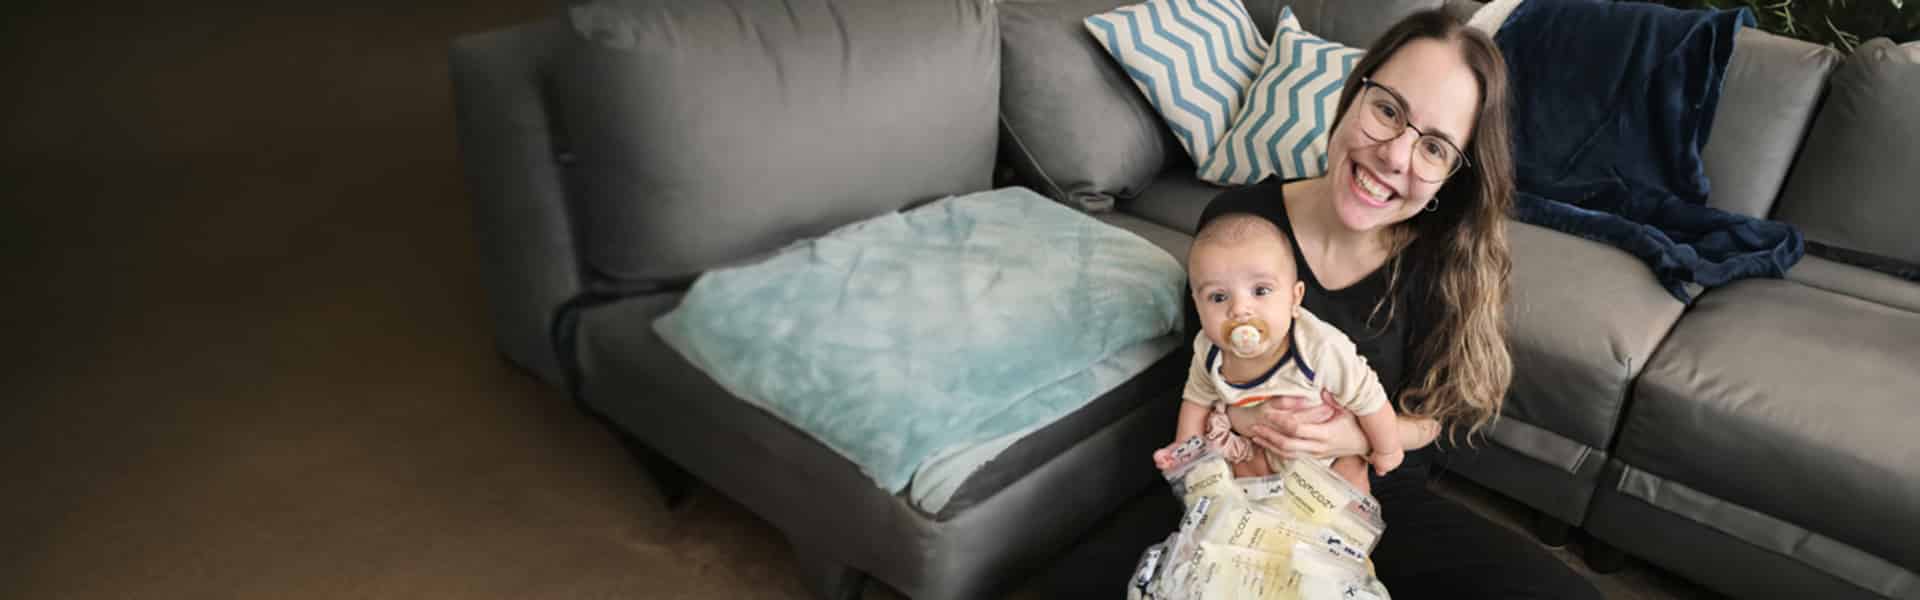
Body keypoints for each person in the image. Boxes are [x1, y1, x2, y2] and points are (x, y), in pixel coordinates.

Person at [1183, 9, 1604, 599]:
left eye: (1433, 147)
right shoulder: (1240, 225)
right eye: (1388, 110)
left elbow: (1435, 418)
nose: (1396, 156)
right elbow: (1200, 371)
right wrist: (1242, 424)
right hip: (1244, 490)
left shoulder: (1440, 265)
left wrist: (1353, 438)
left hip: (1374, 499)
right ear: (1355, 93)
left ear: (1451, 176)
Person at [1152, 213, 1403, 492]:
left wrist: (1387, 449)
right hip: (1257, 447)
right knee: (1224, 485)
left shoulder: (1320, 349)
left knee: (1350, 482)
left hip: (1326, 456)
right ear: (1198, 306)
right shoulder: (1209, 350)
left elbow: (1369, 399)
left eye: (1260, 290)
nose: (1239, 310)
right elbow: (1196, 399)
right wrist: (1185, 454)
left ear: (1294, 299)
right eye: (1219, 297)